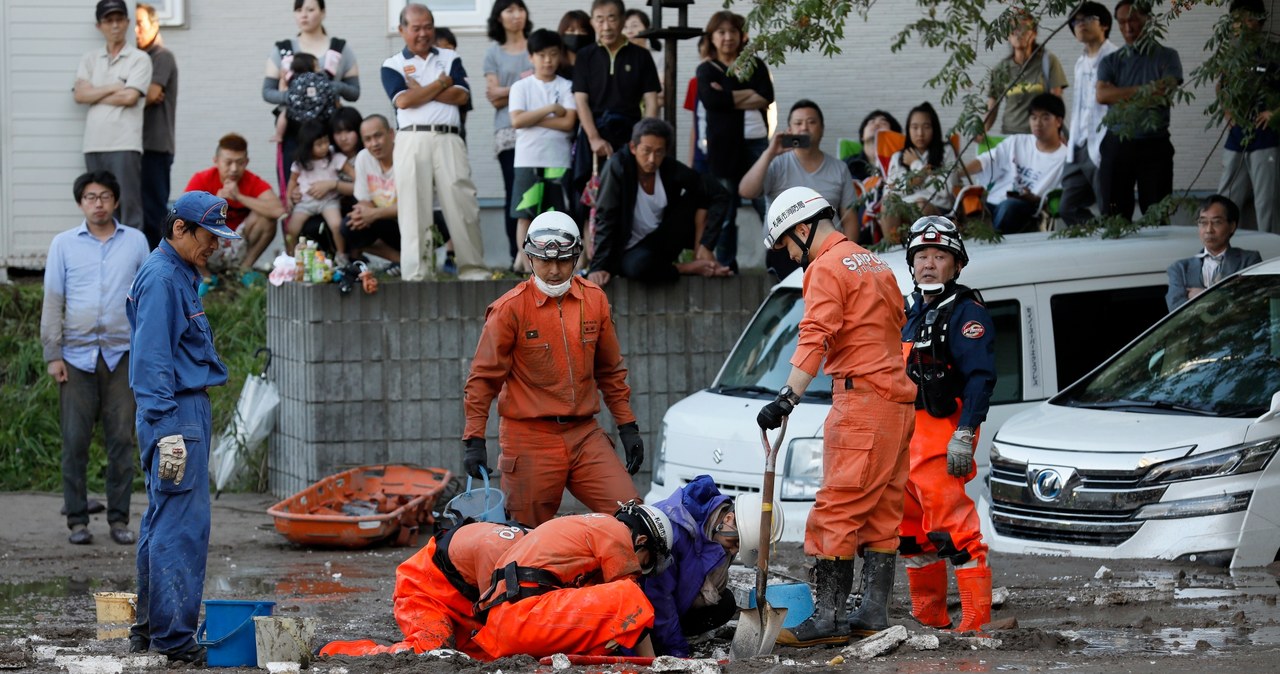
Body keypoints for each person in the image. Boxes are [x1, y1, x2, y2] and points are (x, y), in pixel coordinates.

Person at [755, 186, 916, 647]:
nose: (790, 254)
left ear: (803, 229)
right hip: (897, 402)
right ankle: (872, 613)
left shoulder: (825, 267)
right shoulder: (874, 262)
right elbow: (896, 320)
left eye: (787, 244)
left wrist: (788, 397)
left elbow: (815, 335)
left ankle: (827, 619)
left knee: (836, 510)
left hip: (862, 402)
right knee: (883, 507)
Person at [462, 212, 643, 526]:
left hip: (584, 433)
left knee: (633, 515)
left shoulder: (595, 300)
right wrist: (474, 440)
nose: (555, 271)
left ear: (575, 259)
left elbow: (611, 371)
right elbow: (482, 380)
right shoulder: (510, 309)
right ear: (530, 258)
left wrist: (628, 426)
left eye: (563, 261)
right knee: (525, 534)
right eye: (545, 261)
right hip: (529, 437)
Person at [126, 191, 242, 665]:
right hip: (176, 413)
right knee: (182, 527)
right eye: (208, 236)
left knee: (162, 521)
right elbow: (150, 360)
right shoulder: (162, 278)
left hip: (177, 411)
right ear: (179, 229)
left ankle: (151, 631)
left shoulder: (176, 275)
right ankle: (174, 641)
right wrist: (168, 428)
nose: (215, 245)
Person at [899, 217, 997, 634]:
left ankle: (975, 620)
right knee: (911, 533)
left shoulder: (965, 312)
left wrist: (966, 432)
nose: (929, 263)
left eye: (940, 256)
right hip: (903, 433)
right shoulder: (906, 309)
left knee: (953, 527)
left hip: (942, 430)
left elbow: (981, 377)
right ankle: (929, 617)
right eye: (922, 255)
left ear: (956, 265)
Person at [41, 171, 149, 546]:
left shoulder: (135, 242)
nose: (98, 203)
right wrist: (53, 354)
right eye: (90, 197)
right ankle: (77, 521)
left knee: (122, 439)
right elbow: (53, 300)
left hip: (123, 354)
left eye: (104, 196)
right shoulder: (63, 244)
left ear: (116, 201)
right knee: (75, 440)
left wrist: (149, 352)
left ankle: (119, 519)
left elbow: (148, 298)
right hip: (75, 357)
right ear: (80, 203)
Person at [471, 504, 674, 659]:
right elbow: (631, 603)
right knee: (630, 595)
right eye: (646, 562)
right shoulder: (615, 531)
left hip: (507, 623)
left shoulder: (586, 528)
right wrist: (653, 661)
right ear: (641, 542)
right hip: (526, 616)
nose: (639, 568)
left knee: (604, 620)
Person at [383, 3, 488, 281]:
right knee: (413, 207)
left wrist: (422, 90)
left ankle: (473, 270)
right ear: (402, 30)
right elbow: (403, 100)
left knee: (462, 202)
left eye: (428, 26)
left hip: (448, 137)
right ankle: (417, 274)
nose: (423, 33)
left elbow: (462, 96)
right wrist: (441, 84)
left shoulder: (450, 57)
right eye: (415, 28)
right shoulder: (392, 64)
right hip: (411, 138)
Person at [319, 521, 527, 658]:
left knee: (485, 653)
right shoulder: (502, 551)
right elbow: (504, 621)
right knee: (428, 649)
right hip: (425, 589)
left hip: (466, 599)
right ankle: (336, 652)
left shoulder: (536, 546)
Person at [643, 477, 780, 657]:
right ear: (729, 518)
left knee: (725, 604)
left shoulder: (716, 527)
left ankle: (672, 636)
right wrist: (678, 650)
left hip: (673, 602)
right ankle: (662, 640)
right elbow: (659, 597)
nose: (733, 551)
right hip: (643, 607)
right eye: (734, 542)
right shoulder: (677, 529)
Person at [587, 118, 730, 286]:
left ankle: (702, 255)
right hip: (629, 250)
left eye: (659, 152)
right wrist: (597, 267)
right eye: (646, 151)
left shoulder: (669, 168)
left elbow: (719, 192)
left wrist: (706, 243)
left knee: (703, 193)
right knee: (638, 268)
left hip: (662, 240)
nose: (652, 159)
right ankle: (689, 267)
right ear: (633, 148)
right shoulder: (618, 167)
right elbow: (606, 216)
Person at [739, 100, 858, 279]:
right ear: (790, 130)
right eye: (798, 123)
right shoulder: (776, 163)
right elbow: (746, 191)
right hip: (784, 251)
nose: (804, 128)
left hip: (830, 251)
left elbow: (850, 218)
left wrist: (849, 256)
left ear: (822, 129)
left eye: (811, 122)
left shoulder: (839, 169)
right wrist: (769, 153)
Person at [697, 10, 774, 272]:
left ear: (742, 36)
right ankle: (726, 265)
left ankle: (781, 260)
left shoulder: (755, 64)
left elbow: (766, 96)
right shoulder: (706, 69)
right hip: (723, 148)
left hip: (756, 142)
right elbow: (711, 100)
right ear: (712, 36)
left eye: (732, 32)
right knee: (725, 209)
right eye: (721, 32)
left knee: (766, 203)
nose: (727, 37)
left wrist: (728, 94)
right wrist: (747, 93)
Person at [1095, 0, 1183, 221]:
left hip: (1154, 144)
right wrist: (1147, 89)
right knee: (1114, 215)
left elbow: (1164, 92)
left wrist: (1120, 93)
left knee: (1156, 215)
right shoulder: (1110, 61)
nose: (1128, 27)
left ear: (1148, 19)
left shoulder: (1167, 56)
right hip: (1117, 143)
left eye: (1133, 20)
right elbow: (1102, 96)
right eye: (1122, 22)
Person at [262, 0, 360, 194]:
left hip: (330, 133)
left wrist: (330, 87)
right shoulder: (283, 49)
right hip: (295, 133)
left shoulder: (340, 48)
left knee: (335, 186)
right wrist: (295, 95)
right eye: (298, 10)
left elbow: (354, 92)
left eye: (310, 9)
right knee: (294, 189)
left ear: (323, 12)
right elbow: (267, 92)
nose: (303, 15)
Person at [74, 0, 152, 234]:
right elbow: (79, 95)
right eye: (109, 20)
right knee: (99, 206)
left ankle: (134, 265)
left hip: (124, 143)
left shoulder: (139, 58)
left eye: (119, 19)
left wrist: (94, 93)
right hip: (93, 144)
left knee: (128, 205)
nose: (115, 25)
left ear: (128, 23)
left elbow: (130, 98)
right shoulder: (90, 58)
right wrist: (115, 86)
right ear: (99, 26)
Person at [571, 0, 661, 198]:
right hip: (595, 134)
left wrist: (642, 141)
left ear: (622, 20)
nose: (606, 26)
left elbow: (651, 102)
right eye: (600, 20)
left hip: (631, 134)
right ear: (593, 22)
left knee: (628, 197)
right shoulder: (585, 56)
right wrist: (594, 138)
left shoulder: (641, 56)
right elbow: (580, 101)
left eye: (611, 19)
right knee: (590, 200)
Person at [508, 29, 578, 273]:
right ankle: (526, 262)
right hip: (528, 158)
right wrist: (551, 108)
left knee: (557, 216)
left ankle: (554, 265)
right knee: (525, 212)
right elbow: (516, 121)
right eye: (541, 55)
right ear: (531, 57)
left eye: (553, 54)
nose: (547, 60)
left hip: (559, 159)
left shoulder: (567, 85)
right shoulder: (520, 86)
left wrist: (532, 119)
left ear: (559, 56)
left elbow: (568, 123)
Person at [184, 133, 286, 293]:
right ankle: (206, 277)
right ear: (216, 161)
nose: (234, 169)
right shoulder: (202, 179)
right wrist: (213, 202)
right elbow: (181, 213)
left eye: (239, 163)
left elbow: (278, 210)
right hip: (210, 244)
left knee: (267, 218)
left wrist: (239, 196)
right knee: (187, 226)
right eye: (228, 162)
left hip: (239, 242)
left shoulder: (251, 181)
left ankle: (244, 270)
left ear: (246, 162)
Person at [964, 93, 1068, 233]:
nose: (1038, 123)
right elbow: (986, 160)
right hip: (993, 202)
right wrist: (958, 171)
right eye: (1034, 117)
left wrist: (1036, 199)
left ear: (1059, 121)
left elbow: (1059, 198)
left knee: (1009, 207)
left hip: (1028, 210)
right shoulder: (1017, 142)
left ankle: (992, 238)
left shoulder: (1066, 158)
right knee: (964, 205)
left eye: (1045, 117)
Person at [1216, 0, 1278, 233]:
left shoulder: (1273, 52)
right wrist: (1228, 112)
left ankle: (1272, 258)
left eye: (1248, 18)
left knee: (1266, 202)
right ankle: (1221, 251)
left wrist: (1275, 113)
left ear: (1261, 21)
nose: (1242, 25)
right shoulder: (1230, 55)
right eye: (1237, 19)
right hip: (1237, 137)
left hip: (1266, 137)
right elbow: (1220, 85)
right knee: (1226, 197)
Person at [1059, 2, 1119, 227]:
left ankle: (1112, 246)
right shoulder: (1080, 62)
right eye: (1075, 21)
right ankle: (1097, 236)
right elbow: (1079, 106)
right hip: (1079, 143)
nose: (1079, 24)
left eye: (1086, 19)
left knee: (1108, 205)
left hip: (1104, 140)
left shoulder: (1115, 57)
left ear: (1104, 24)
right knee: (1068, 207)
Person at [484, 0, 533, 265]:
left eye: (520, 9)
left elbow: (541, 89)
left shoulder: (536, 46)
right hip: (507, 131)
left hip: (539, 130)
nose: (516, 15)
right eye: (509, 10)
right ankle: (516, 254)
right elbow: (494, 98)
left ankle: (540, 254)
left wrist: (507, 90)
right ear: (499, 17)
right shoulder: (493, 53)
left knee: (539, 192)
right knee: (514, 192)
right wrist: (525, 86)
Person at [1165, 195, 1263, 311]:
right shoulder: (1180, 269)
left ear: (1232, 226)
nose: (1208, 230)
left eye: (1216, 222)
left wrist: (1203, 296)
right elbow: (1176, 311)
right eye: (1203, 222)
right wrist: (1225, 299)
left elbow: (1249, 305)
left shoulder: (1248, 261)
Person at [879, 102, 957, 243]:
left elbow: (945, 191)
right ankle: (893, 250)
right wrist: (914, 181)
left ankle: (921, 252)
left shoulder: (946, 151)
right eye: (914, 127)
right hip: (903, 210)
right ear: (908, 130)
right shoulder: (899, 156)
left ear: (934, 128)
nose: (920, 133)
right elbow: (889, 192)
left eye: (926, 127)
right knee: (887, 203)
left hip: (936, 210)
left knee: (921, 204)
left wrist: (916, 166)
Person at [135, 2, 177, 250]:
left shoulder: (161, 56)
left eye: (141, 24)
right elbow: (147, 96)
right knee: (139, 210)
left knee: (154, 212)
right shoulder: (138, 58)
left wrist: (138, 95)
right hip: (138, 146)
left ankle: (164, 264)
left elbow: (151, 95)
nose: (136, 31)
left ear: (155, 24)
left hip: (156, 146)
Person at [984, 12, 1068, 135]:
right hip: (1010, 135)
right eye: (1013, 29)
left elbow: (1056, 103)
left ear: (1034, 34)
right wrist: (982, 130)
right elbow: (992, 106)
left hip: (1041, 136)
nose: (1019, 33)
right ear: (1008, 35)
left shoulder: (1048, 62)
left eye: (1024, 28)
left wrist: (1059, 134)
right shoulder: (1001, 69)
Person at [284, 120, 352, 261]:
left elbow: (354, 174)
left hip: (329, 201)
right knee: (292, 228)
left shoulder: (333, 157)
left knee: (336, 225)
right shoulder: (301, 162)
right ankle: (292, 257)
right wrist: (288, 197)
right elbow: (292, 180)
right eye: (319, 144)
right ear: (308, 147)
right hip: (305, 202)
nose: (324, 147)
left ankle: (341, 254)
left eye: (326, 141)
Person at [341, 114, 402, 265]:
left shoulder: (405, 155)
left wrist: (373, 214)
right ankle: (401, 260)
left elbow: (411, 207)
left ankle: (414, 259)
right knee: (349, 226)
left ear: (391, 134)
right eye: (368, 139)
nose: (374, 143)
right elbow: (364, 200)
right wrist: (362, 213)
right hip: (386, 221)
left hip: (414, 221)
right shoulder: (363, 158)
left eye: (378, 136)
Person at [848, 110, 903, 246]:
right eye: (871, 122)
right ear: (862, 136)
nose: (877, 124)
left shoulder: (904, 163)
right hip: (858, 231)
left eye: (883, 122)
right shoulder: (847, 165)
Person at [556, 10, 594, 81]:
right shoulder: (555, 66)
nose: (577, 34)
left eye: (582, 31)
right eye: (571, 30)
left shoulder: (596, 64)